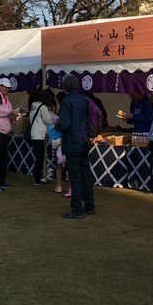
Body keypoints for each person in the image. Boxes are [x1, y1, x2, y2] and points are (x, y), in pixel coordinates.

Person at [56, 74, 95, 219]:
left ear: (64, 86)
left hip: (72, 142)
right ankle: (90, 205)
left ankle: (77, 209)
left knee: (75, 176)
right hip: (84, 140)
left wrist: (57, 124)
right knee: (86, 174)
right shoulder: (84, 99)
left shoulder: (67, 101)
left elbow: (65, 124)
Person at [29, 89, 55, 185]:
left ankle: (38, 177)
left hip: (33, 133)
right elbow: (48, 120)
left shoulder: (33, 106)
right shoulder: (43, 107)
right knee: (40, 158)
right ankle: (37, 178)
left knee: (38, 157)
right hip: (40, 134)